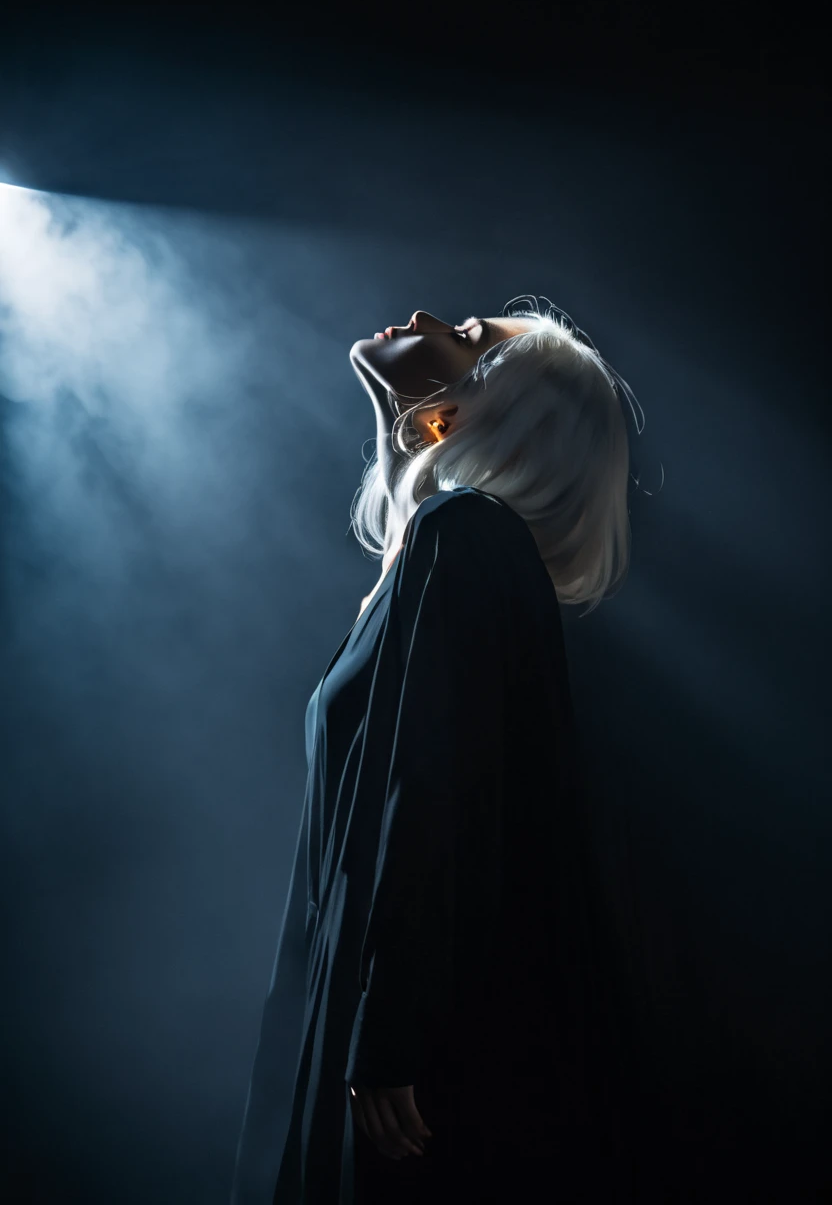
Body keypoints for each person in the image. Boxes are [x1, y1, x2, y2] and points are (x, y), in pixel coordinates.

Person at [230, 296, 637, 1204]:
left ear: (504, 409)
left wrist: (390, 1028)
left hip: (415, 1030)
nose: (426, 316)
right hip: (393, 1000)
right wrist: (401, 416)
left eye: (468, 338)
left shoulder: (467, 537)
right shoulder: (453, 543)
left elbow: (434, 791)